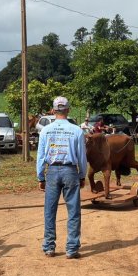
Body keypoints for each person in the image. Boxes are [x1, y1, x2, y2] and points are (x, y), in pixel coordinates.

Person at [36, 96, 87, 259]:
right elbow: (82, 157)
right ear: (68, 110)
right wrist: (82, 175)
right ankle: (71, 249)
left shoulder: (45, 130)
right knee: (73, 211)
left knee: (49, 211)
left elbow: (40, 156)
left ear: (53, 111)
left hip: (51, 171)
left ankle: (49, 247)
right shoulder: (77, 130)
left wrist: (40, 177)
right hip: (70, 171)